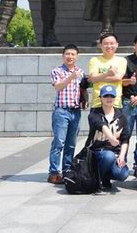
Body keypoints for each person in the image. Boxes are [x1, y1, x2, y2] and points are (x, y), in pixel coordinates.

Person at [48, 44, 84, 183]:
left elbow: (83, 89)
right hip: (61, 111)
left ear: (77, 56)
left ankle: (67, 171)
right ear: (63, 56)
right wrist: (71, 77)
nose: (70, 57)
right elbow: (58, 87)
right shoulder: (57, 71)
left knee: (71, 144)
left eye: (73, 54)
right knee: (59, 142)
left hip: (76, 111)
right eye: (67, 54)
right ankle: (53, 172)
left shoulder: (80, 72)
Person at [84, 85, 130, 190]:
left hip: (115, 152)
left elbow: (125, 139)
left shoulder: (122, 116)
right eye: (106, 96)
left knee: (122, 174)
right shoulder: (94, 113)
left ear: (115, 98)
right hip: (97, 151)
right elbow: (100, 125)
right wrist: (111, 138)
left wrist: (122, 156)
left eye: (111, 96)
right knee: (108, 156)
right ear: (100, 98)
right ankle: (96, 179)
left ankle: (105, 177)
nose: (109, 98)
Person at [87, 32, 127, 110]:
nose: (109, 46)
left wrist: (98, 77)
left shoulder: (122, 60)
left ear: (117, 44)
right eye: (106, 44)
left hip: (115, 103)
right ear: (100, 45)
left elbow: (118, 78)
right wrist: (108, 73)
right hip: (98, 103)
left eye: (112, 43)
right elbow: (93, 79)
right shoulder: (94, 60)